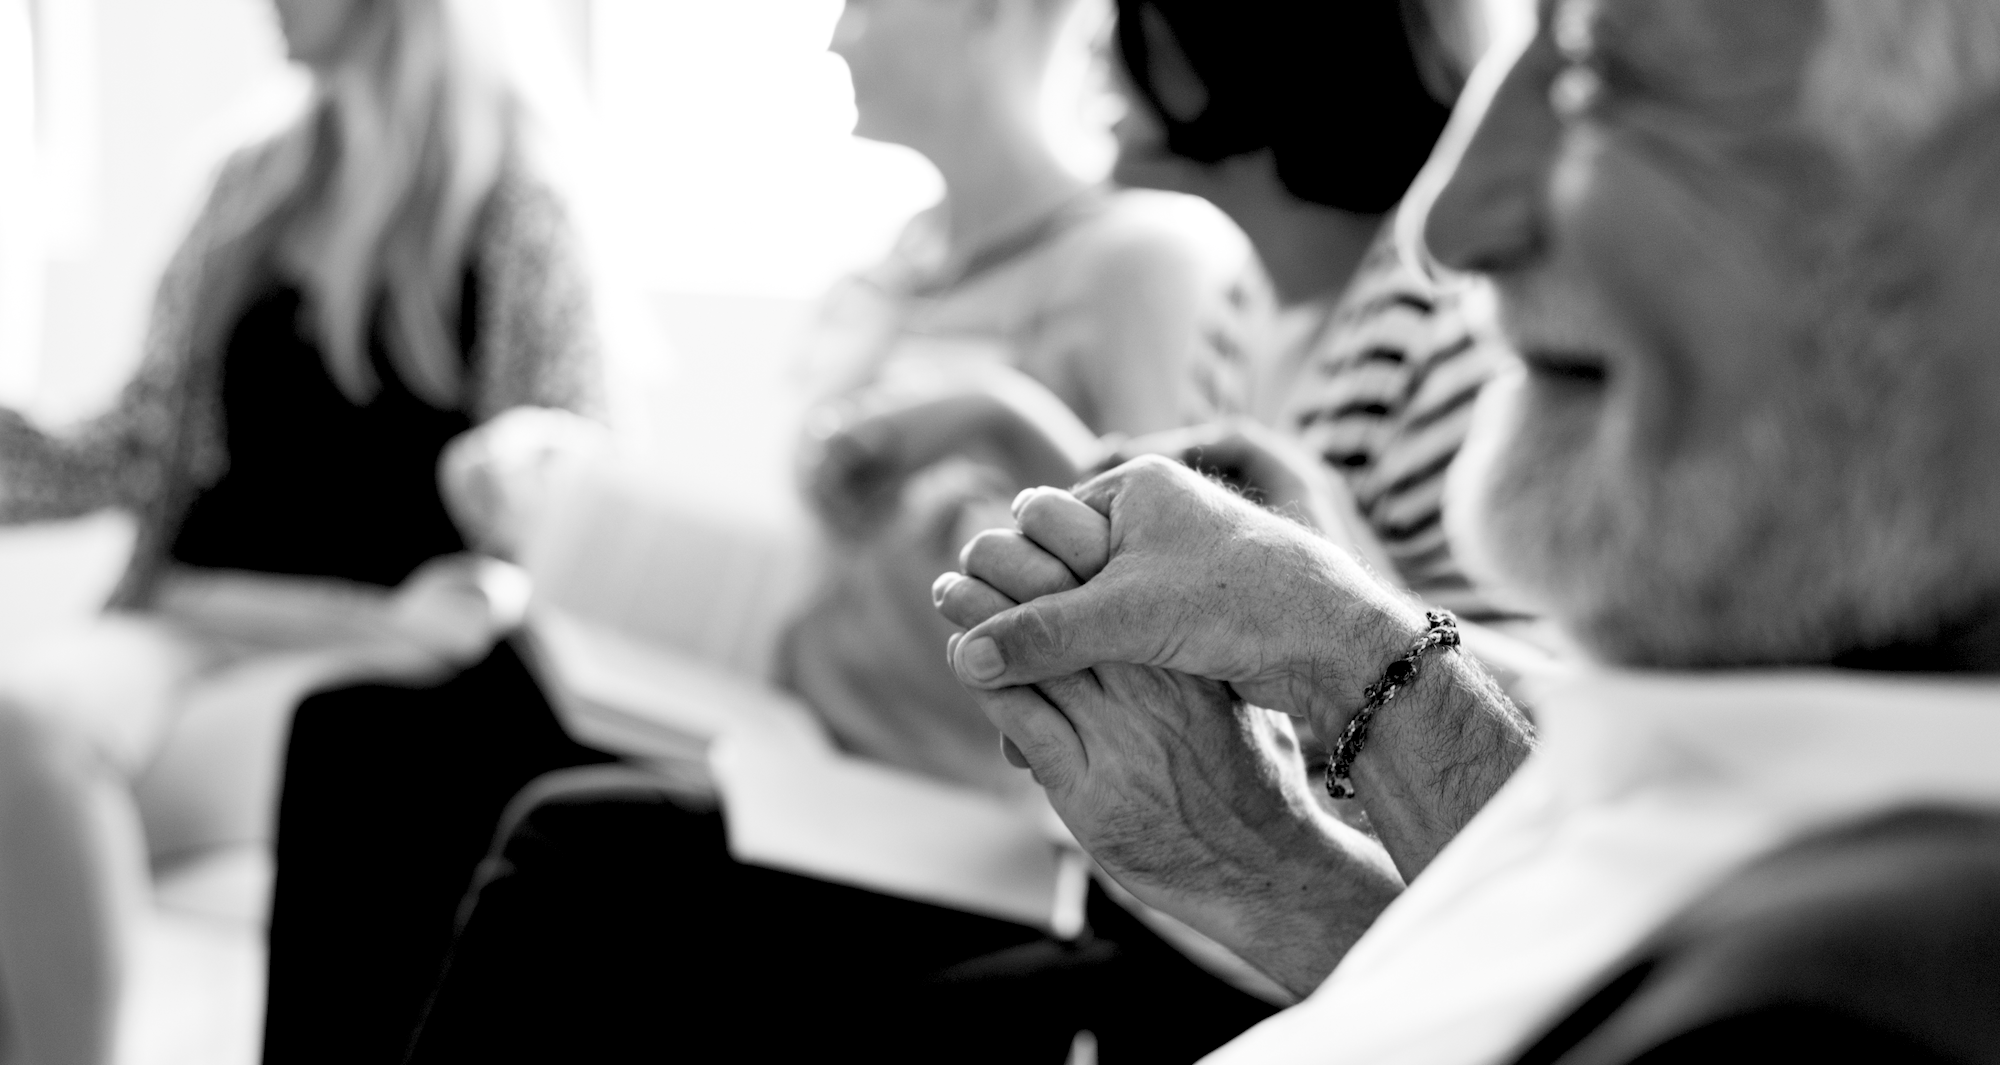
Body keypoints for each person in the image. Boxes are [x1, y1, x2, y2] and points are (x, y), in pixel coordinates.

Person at [935, 0, 2000, 1060]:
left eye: (1596, 74)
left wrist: (1334, 637)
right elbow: (1534, 997)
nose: (1442, 226)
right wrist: (1255, 854)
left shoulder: (1868, 982)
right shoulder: (1776, 709)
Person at [0, 0, 614, 1062]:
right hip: (193, 615)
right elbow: (141, 439)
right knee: (23, 724)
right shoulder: (251, 185)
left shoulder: (521, 206)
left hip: (377, 640)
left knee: (50, 807)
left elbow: (576, 476)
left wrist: (517, 491)